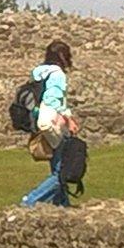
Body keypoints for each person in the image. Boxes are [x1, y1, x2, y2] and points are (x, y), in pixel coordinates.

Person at [19, 39, 78, 207]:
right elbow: (53, 100)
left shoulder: (38, 72)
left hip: (38, 120)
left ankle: (62, 205)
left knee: (57, 166)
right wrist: (69, 119)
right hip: (53, 122)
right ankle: (30, 200)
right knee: (61, 173)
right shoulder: (57, 74)